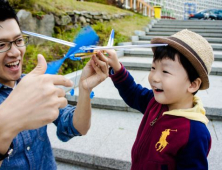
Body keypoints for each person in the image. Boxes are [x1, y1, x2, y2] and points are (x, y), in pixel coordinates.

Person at [0, 0, 108, 169]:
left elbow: (77, 127)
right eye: (2, 45)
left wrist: (85, 89)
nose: (15, 52)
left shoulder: (34, 86)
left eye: (18, 40)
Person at [105, 29, 213, 170]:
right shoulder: (155, 102)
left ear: (193, 84)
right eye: (153, 67)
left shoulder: (195, 133)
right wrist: (116, 67)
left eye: (165, 71)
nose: (154, 77)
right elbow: (133, 93)